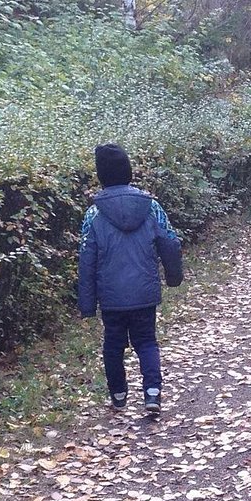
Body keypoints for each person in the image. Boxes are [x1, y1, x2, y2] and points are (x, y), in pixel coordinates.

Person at [78, 143, 183, 414]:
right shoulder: (151, 208)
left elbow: (86, 260)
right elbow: (170, 243)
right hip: (144, 291)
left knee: (113, 345)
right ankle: (151, 393)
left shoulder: (94, 215)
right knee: (146, 342)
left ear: (101, 175)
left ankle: (119, 394)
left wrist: (87, 304)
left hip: (111, 297)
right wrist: (173, 277)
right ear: (129, 171)